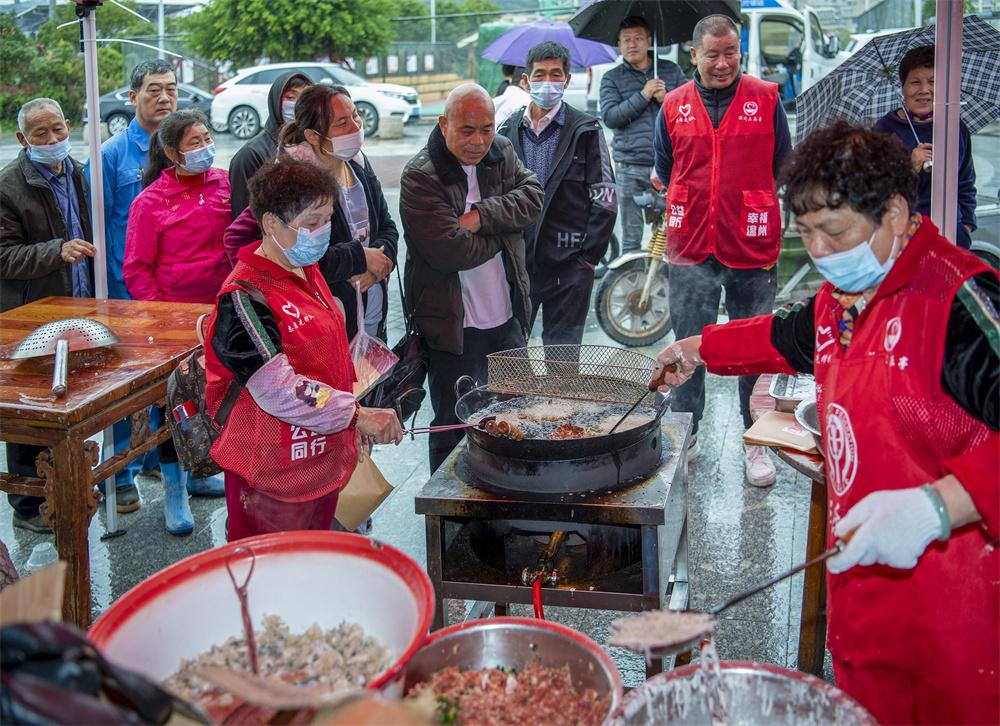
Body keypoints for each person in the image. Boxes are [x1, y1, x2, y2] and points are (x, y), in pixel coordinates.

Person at [654, 120, 998, 725]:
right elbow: (781, 335)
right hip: (862, 600)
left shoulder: (956, 299)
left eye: (835, 232)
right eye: (806, 234)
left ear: (894, 212)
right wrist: (695, 348)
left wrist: (938, 505)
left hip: (960, 615)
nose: (820, 253)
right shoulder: (839, 303)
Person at [204, 158, 403, 541]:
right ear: (271, 224)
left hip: (321, 462)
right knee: (273, 587)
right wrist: (356, 415)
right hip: (270, 479)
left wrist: (348, 424)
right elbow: (278, 389)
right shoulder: (244, 296)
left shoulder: (306, 270)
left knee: (318, 573)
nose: (322, 233)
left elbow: (328, 357)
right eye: (311, 223)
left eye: (327, 219)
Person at [653, 14, 792, 486]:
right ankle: (686, 439)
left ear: (741, 51)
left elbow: (782, 165)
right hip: (690, 245)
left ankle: (757, 442)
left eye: (730, 52)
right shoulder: (673, 105)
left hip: (751, 243)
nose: (722, 63)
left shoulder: (766, 98)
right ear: (693, 55)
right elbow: (665, 168)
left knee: (756, 350)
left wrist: (741, 197)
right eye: (712, 54)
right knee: (686, 349)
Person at [400, 83, 543, 471]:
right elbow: (449, 251)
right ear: (443, 123)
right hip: (453, 326)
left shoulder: (501, 152)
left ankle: (509, 493)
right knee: (452, 422)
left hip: (508, 317)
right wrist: (504, 231)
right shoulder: (421, 175)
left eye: (487, 128)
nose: (479, 141)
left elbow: (533, 197)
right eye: (467, 130)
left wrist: (482, 216)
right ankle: (446, 516)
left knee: (517, 414)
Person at [123, 109, 229, 535]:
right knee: (177, 404)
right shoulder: (149, 202)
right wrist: (166, 319)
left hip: (223, 313)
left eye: (206, 138)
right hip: (175, 323)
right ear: (171, 152)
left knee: (218, 399)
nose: (204, 148)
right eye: (193, 142)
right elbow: (137, 268)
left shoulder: (224, 183)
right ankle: (173, 490)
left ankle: (203, 471)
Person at [223, 84, 397, 341]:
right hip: (321, 326)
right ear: (313, 136)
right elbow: (258, 244)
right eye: (341, 123)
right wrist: (358, 258)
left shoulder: (358, 166)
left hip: (370, 320)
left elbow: (388, 226)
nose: (355, 127)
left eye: (355, 116)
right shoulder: (291, 180)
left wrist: (379, 264)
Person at [0, 98, 95, 533]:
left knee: (65, 400)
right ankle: (26, 504)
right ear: (23, 139)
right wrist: (55, 251)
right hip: (31, 310)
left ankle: (61, 487)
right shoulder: (8, 187)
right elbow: (4, 257)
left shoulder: (75, 171)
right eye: (41, 134)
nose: (54, 140)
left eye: (58, 129)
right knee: (28, 410)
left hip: (75, 303)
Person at [88, 59, 179, 512]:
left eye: (170, 90)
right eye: (153, 90)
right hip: (125, 296)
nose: (163, 98)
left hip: (173, 299)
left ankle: (170, 467)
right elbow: (99, 231)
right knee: (123, 394)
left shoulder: (183, 148)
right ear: (133, 97)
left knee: (175, 388)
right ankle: (119, 474)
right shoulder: (110, 156)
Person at [497, 41, 617, 347]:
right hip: (519, 264)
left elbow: (605, 197)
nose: (547, 82)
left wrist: (587, 258)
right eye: (540, 75)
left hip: (570, 265)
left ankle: (560, 398)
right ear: (525, 80)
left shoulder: (586, 130)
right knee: (511, 356)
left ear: (567, 79)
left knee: (562, 360)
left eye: (555, 74)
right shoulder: (507, 131)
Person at [875, 44, 977, 249]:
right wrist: (910, 167)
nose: (924, 90)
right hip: (905, 241)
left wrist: (965, 226)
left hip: (952, 238)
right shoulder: (883, 131)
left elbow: (965, 183)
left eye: (933, 82)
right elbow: (874, 194)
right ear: (903, 87)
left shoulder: (955, 126)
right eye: (915, 82)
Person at [600, 16, 685, 254]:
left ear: (650, 40)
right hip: (630, 166)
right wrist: (643, 95)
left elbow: (691, 113)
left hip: (671, 165)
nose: (632, 44)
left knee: (673, 236)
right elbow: (610, 117)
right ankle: (634, 287)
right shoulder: (611, 78)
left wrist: (667, 99)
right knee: (631, 239)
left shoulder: (671, 70)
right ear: (618, 44)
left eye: (638, 38)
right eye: (626, 40)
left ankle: (666, 284)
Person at [228, 71, 311, 220]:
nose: (298, 104)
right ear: (276, 101)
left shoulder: (318, 146)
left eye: (305, 98)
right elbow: (242, 221)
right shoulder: (251, 155)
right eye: (291, 97)